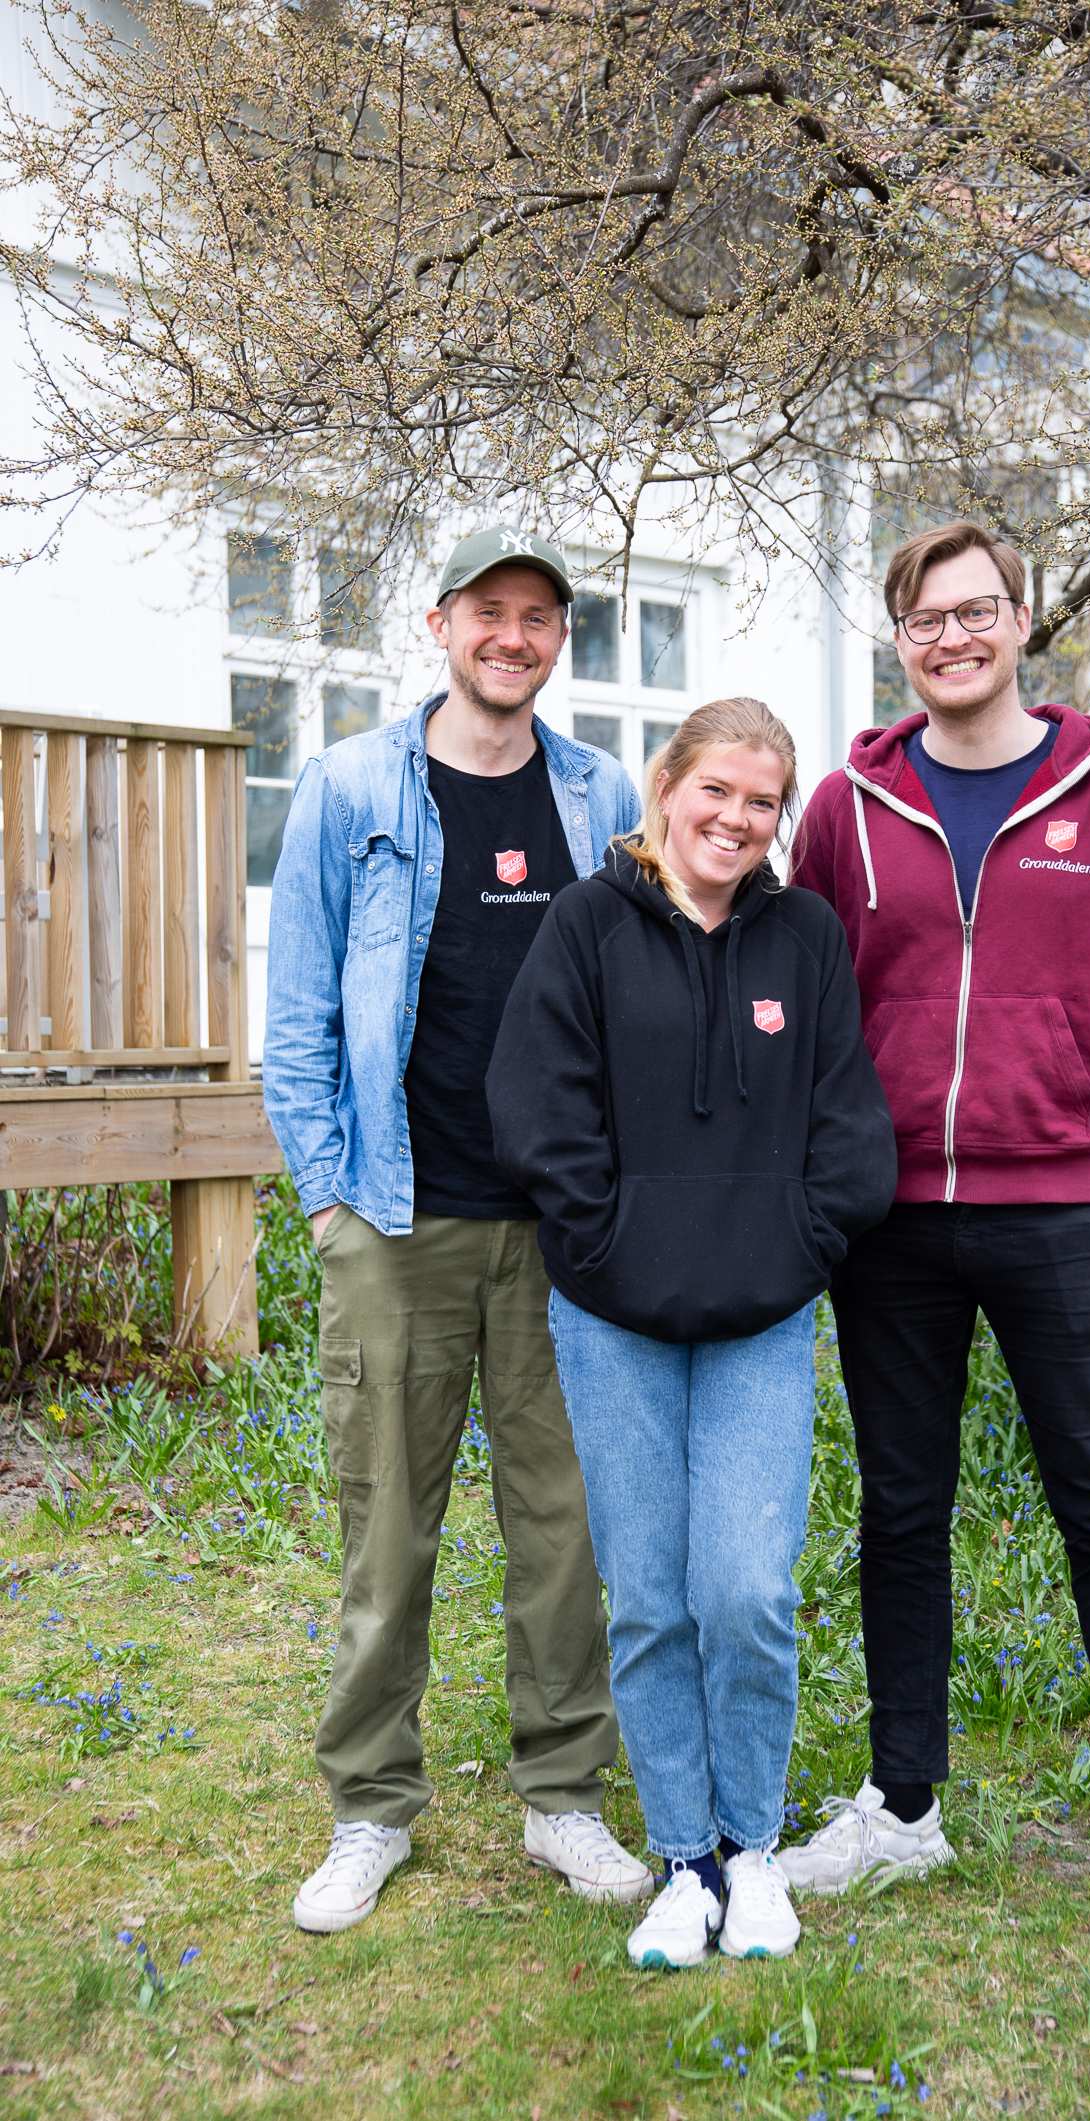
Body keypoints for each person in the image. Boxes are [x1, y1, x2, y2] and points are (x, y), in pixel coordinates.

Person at [783, 519, 1090, 1945]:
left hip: (1059, 1209)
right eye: (926, 619)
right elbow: (815, 995)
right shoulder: (846, 809)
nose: (953, 637)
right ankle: (902, 1810)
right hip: (892, 1228)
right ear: (898, 639)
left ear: (1021, 619)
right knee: (902, 1512)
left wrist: (1082, 1101)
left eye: (976, 610)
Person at [263, 526, 654, 1933]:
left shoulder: (601, 791)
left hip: (559, 1227)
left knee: (564, 1525)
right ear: (439, 625)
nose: (514, 636)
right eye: (489, 612)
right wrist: (329, 1202)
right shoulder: (352, 784)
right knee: (389, 1526)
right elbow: (296, 1018)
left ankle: (564, 1799)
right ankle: (370, 1806)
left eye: (539, 617)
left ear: (559, 640)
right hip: (395, 1211)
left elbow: (633, 1000)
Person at [486, 698, 897, 1968]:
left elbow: (847, 1122)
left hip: (761, 1322)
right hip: (612, 1319)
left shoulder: (805, 937)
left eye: (762, 801)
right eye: (715, 790)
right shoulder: (584, 925)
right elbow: (535, 1107)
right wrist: (605, 1245)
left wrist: (800, 1245)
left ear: (782, 819)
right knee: (652, 1597)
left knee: (748, 1589)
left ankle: (753, 1849)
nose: (735, 818)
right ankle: (682, 1858)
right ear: (666, 787)